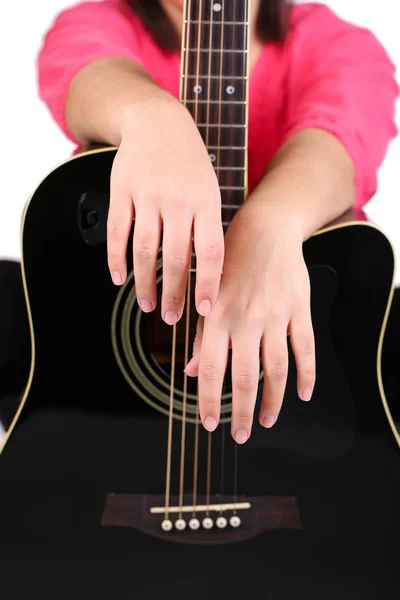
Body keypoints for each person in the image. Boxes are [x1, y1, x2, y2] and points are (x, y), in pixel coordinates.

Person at [5, 0, 398, 444]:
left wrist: (271, 223)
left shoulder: (339, 44)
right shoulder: (101, 20)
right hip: (115, 408)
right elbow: (86, 67)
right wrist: (152, 117)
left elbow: (342, 134)